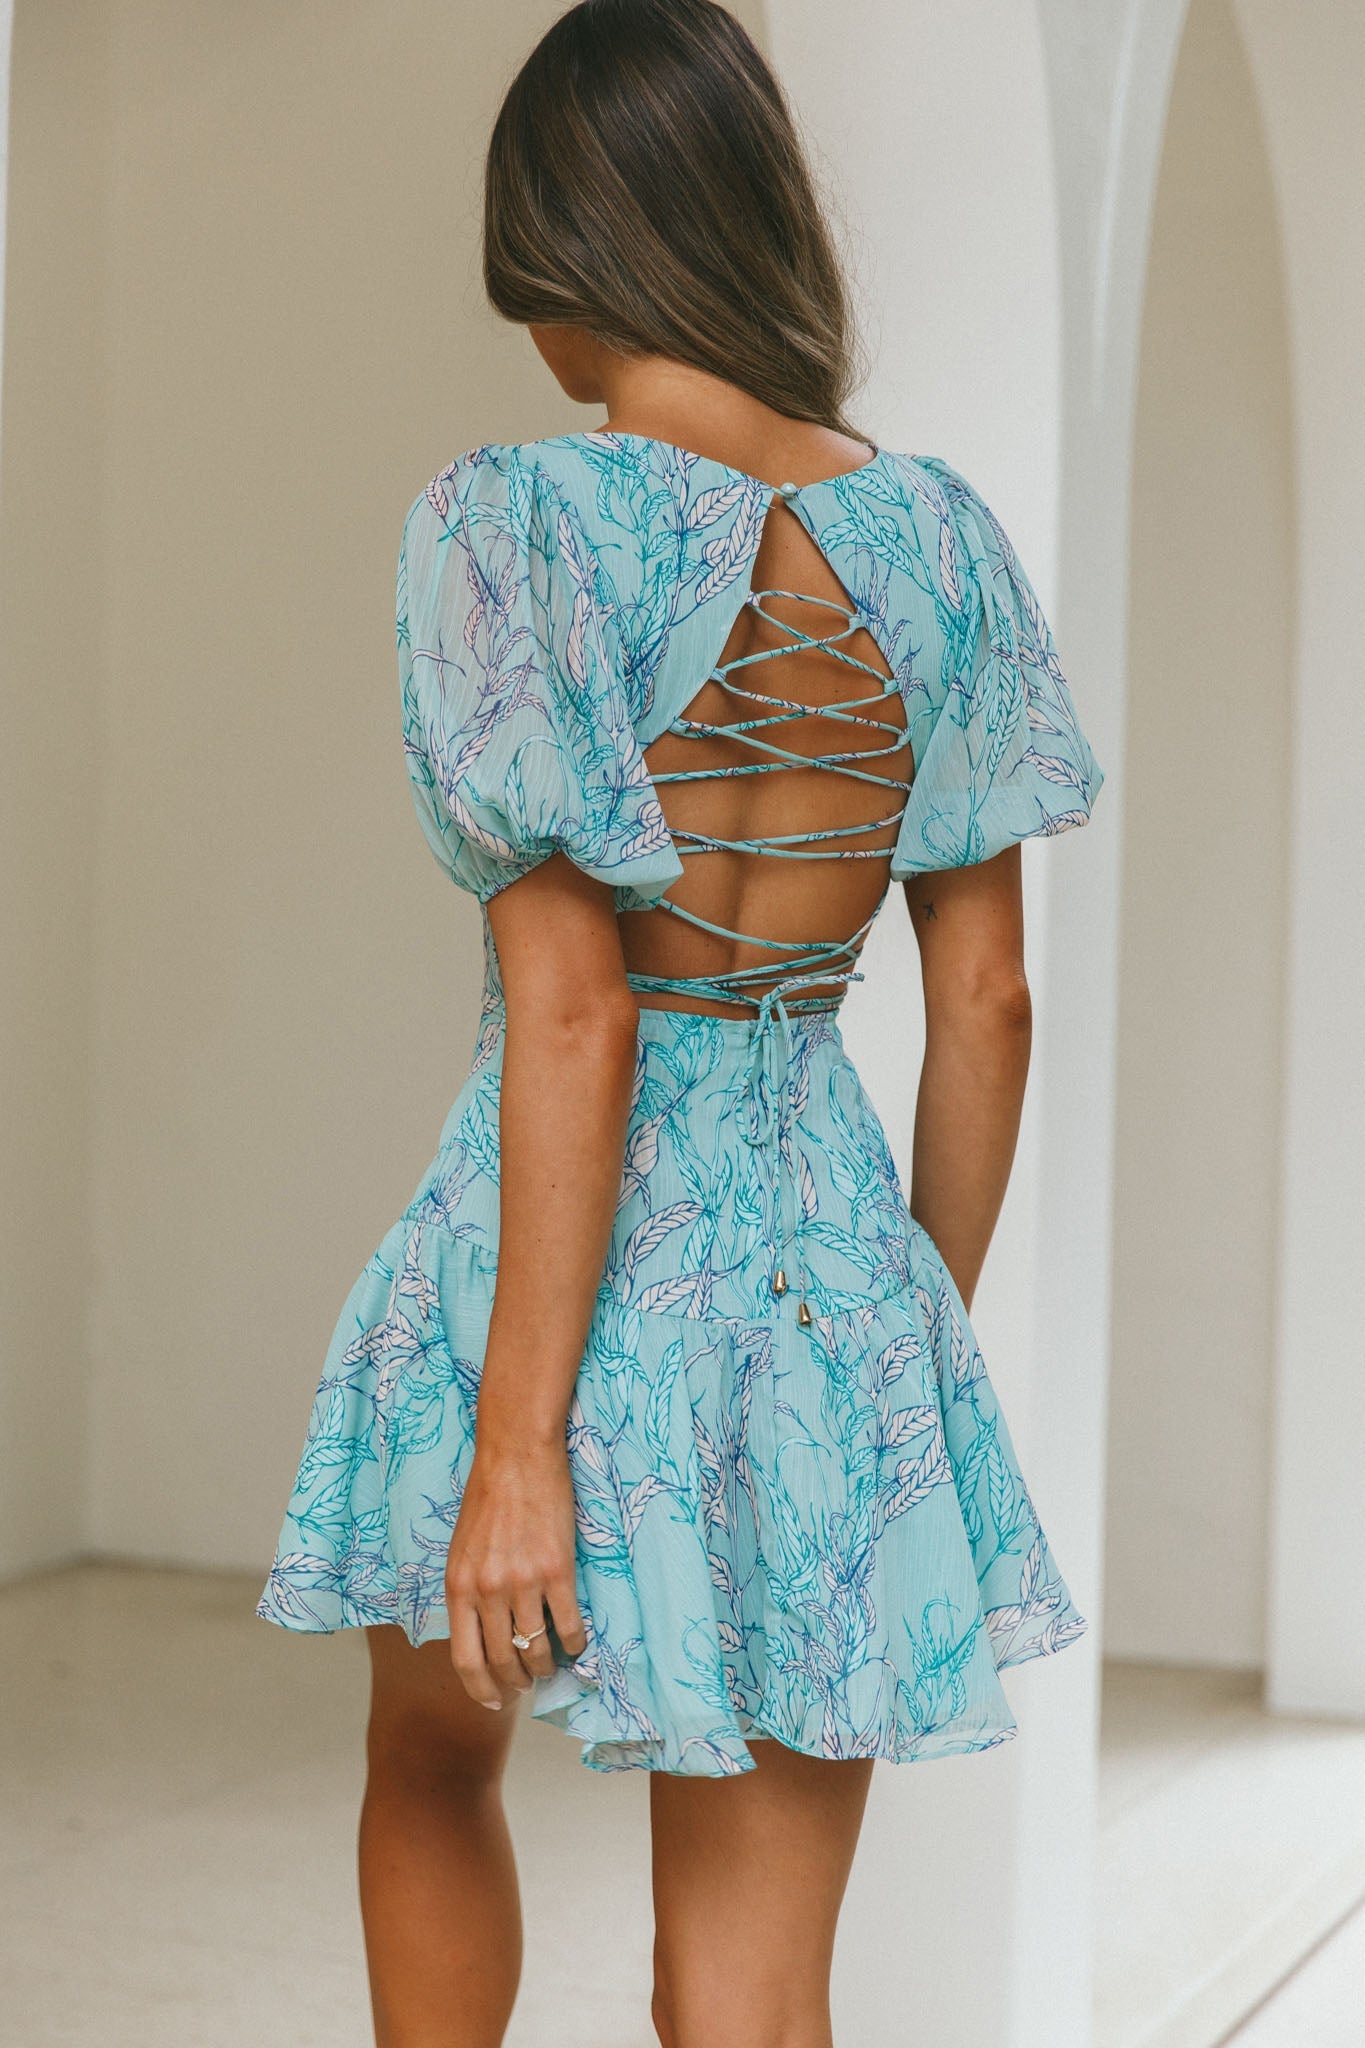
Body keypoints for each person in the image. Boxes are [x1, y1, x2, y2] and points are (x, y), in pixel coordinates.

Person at [256, 2, 1105, 2042]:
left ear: (563, 246)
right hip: (822, 1268)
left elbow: (577, 1018)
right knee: (750, 1993)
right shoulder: (940, 538)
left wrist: (518, 1446)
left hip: (532, 1265)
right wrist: (900, 1335)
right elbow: (985, 1000)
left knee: (428, 1762)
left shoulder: (516, 521)